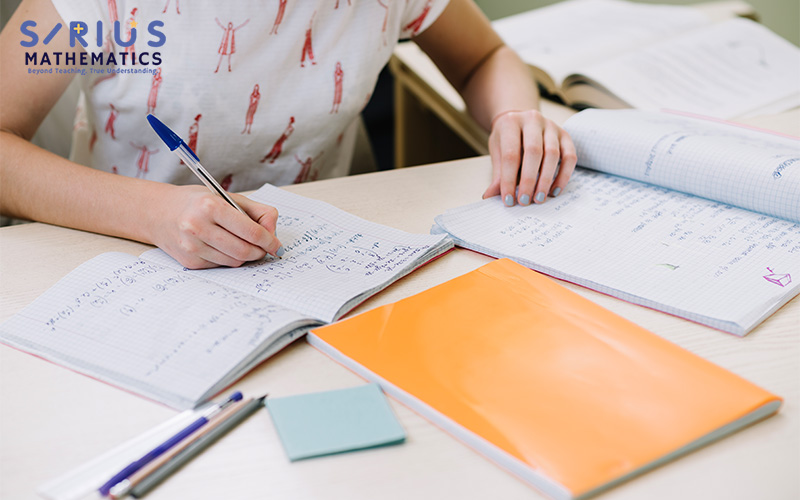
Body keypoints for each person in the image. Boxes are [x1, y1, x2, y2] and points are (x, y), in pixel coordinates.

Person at [0, 0, 576, 269]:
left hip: (304, 261)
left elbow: (484, 57)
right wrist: (152, 212)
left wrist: (514, 116)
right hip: (121, 255)